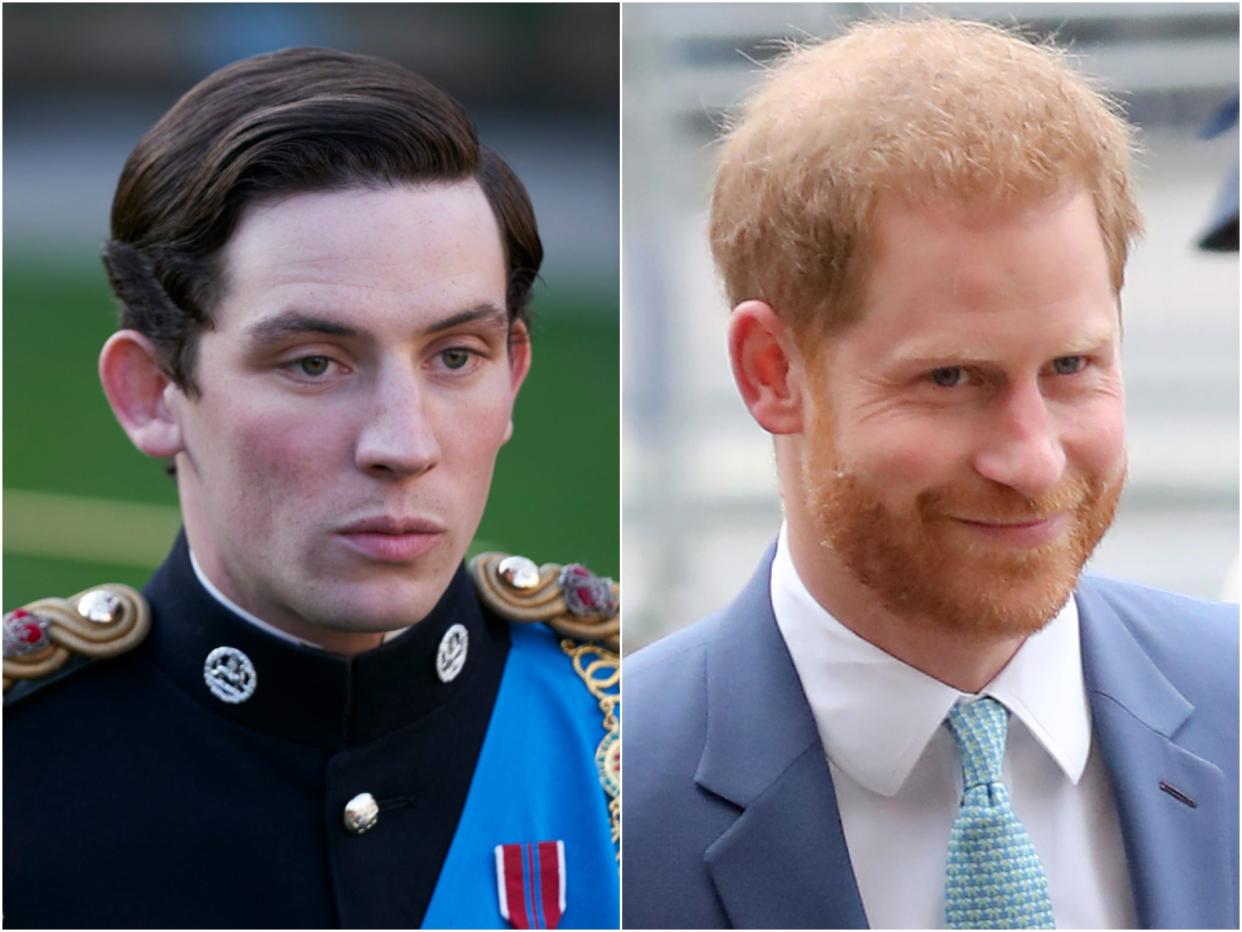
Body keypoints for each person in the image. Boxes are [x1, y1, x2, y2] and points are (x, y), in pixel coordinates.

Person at [624, 16, 1236, 930]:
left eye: (1071, 367)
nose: (1032, 461)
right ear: (772, 372)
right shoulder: (602, 810)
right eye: (951, 379)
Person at [4, 47, 619, 929]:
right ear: (151, 395)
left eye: (455, 357)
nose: (403, 443)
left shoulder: (633, 732)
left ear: (513, 376)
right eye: (314, 363)